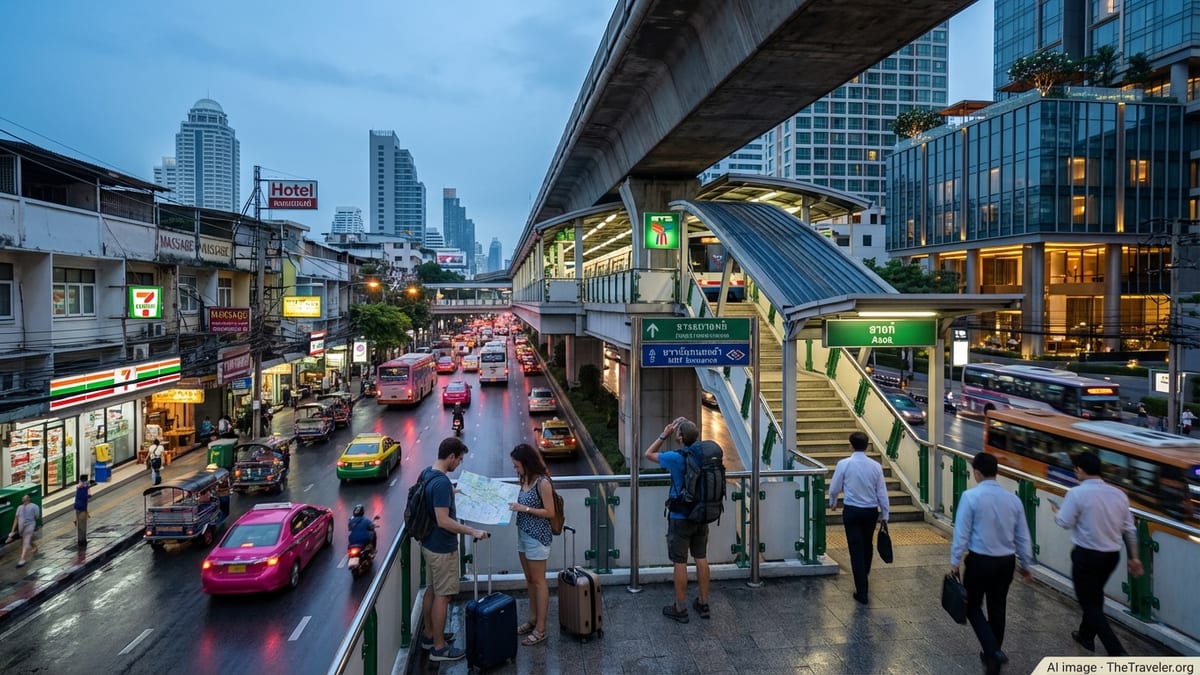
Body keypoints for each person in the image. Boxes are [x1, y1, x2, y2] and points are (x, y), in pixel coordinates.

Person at [1052, 452, 1144, 656]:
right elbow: (1130, 529)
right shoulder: (1119, 494)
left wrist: (1056, 513)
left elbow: (1064, 522)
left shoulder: (1076, 494)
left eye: (1075, 469)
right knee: (1095, 594)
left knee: (1089, 603)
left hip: (1086, 556)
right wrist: (1134, 557)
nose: (1075, 472)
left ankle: (1117, 652)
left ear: (1081, 470)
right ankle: (1086, 635)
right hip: (1111, 556)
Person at [950, 453, 1034, 675]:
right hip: (1006, 562)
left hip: (980, 561)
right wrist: (1026, 564)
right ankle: (992, 654)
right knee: (998, 607)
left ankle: (993, 649)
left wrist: (954, 561)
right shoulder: (1013, 500)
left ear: (977, 473)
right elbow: (1023, 535)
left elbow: (962, 532)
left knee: (972, 606)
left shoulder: (970, 497)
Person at [418, 437, 489, 662]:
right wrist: (472, 531)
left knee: (431, 589)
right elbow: (443, 520)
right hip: (442, 548)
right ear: (450, 457)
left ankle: (429, 635)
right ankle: (439, 648)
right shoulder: (441, 483)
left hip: (429, 545)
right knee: (443, 596)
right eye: (458, 459)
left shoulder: (428, 473)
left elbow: (433, 504)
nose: (459, 463)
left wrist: (452, 493)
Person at [644, 417, 711, 623]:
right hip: (701, 514)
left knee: (680, 562)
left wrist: (664, 433)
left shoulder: (675, 457)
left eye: (678, 434)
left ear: (680, 438)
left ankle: (680, 608)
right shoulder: (704, 454)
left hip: (680, 516)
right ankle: (703, 602)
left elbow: (648, 454)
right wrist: (687, 427)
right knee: (701, 557)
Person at [827, 431, 889, 605]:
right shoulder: (875, 466)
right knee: (867, 545)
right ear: (867, 445)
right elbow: (882, 493)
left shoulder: (844, 464)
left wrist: (833, 502)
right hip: (870, 512)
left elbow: (834, 487)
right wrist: (885, 514)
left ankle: (862, 590)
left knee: (855, 549)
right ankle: (864, 576)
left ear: (851, 445)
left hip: (852, 511)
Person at [507, 443, 556, 646]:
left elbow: (550, 512)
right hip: (523, 534)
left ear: (527, 463)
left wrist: (524, 508)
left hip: (537, 537)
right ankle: (532, 619)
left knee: (539, 581)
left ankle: (541, 628)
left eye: (517, 466)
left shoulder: (543, 482)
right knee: (529, 579)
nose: (515, 469)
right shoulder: (524, 479)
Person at [9, 493, 40, 567]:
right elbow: (16, 519)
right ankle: (34, 547)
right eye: (23, 500)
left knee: (25, 542)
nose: (24, 501)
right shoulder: (20, 508)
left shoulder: (34, 506)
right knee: (26, 539)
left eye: (25, 500)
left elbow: (36, 517)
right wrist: (12, 531)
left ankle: (22, 559)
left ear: (28, 500)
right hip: (22, 528)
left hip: (29, 526)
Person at [74, 474, 91, 546]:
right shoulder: (83, 488)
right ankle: (82, 541)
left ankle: (80, 539)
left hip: (78, 507)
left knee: (80, 524)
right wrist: (89, 494)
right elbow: (85, 497)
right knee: (82, 525)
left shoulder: (79, 487)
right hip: (82, 508)